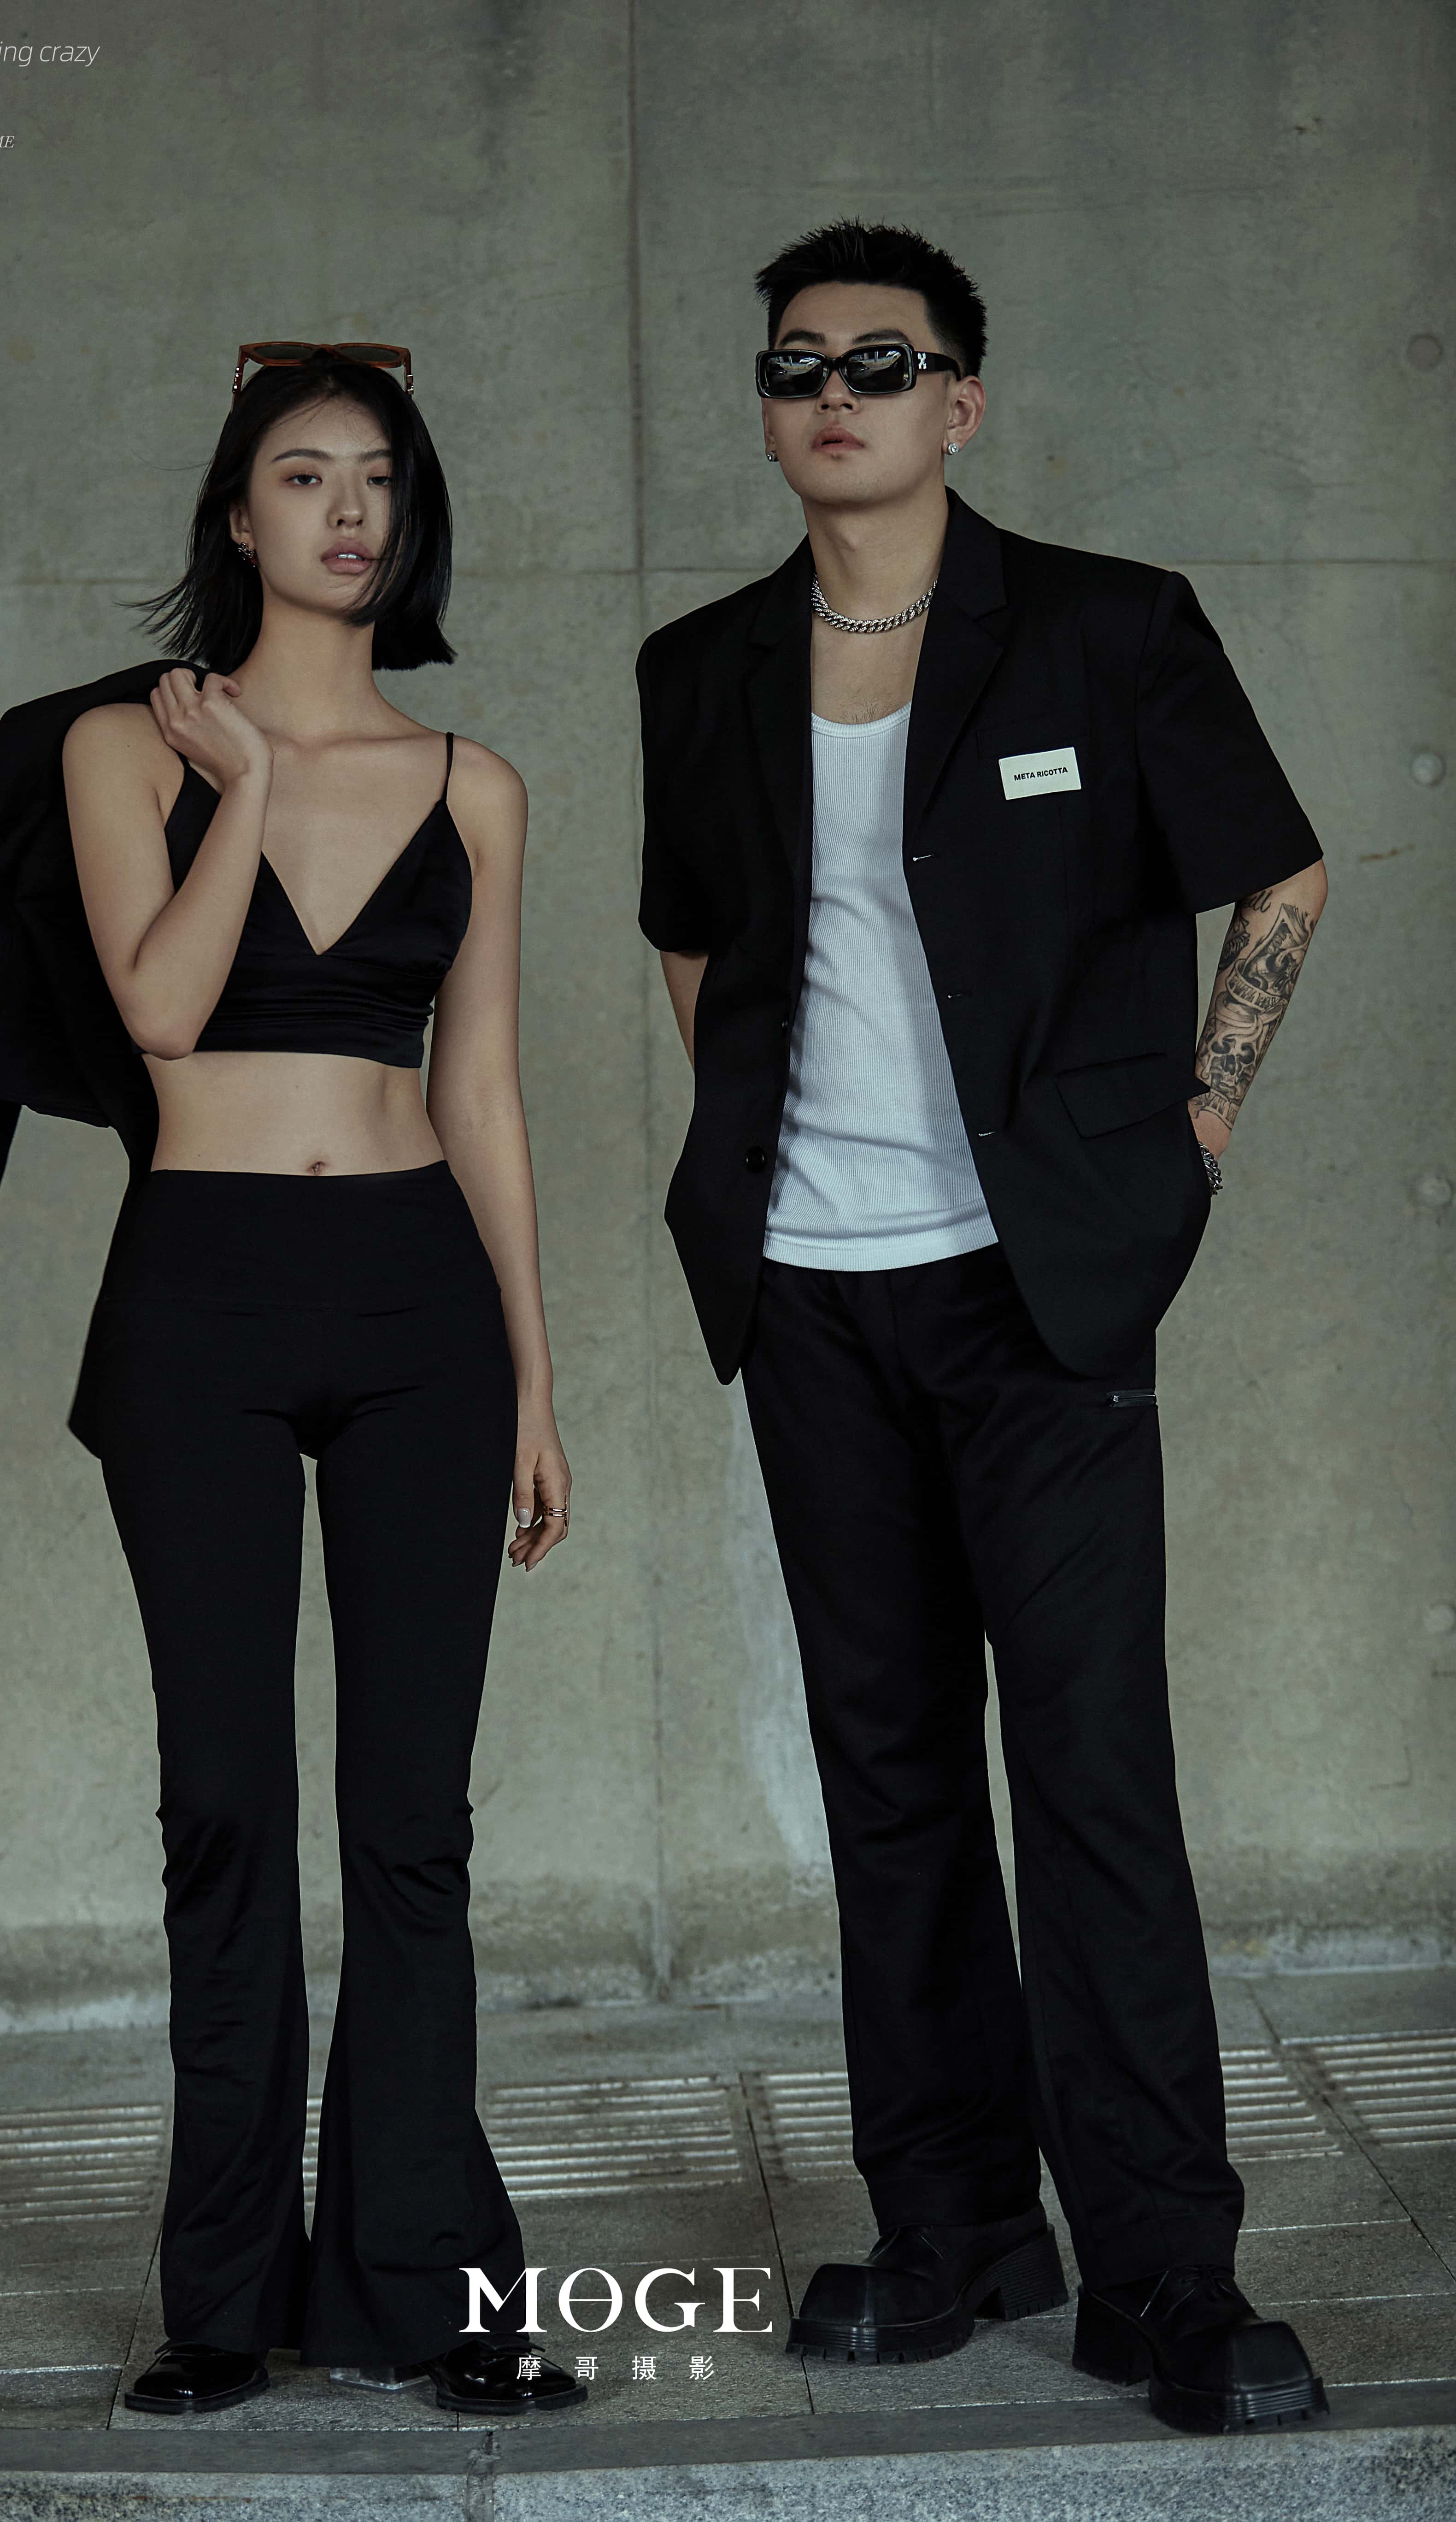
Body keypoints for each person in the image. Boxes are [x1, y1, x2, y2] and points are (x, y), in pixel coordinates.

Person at [636, 224, 1329, 2438]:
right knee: (893, 1772)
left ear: (963, 401)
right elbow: (695, 945)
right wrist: (771, 1148)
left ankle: (1166, 2270)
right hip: (812, 1295)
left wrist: (1192, 1129)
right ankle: (952, 2224)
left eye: (883, 359)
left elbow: (1281, 871)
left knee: (1094, 1770)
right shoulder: (701, 668)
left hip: (1041, 1292)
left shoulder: (1111, 629)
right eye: (798, 362)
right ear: (770, 407)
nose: (835, 392)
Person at [0, 342, 582, 2419]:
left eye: (380, 478)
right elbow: (168, 1012)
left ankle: (429, 2293)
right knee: (227, 1807)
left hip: (423, 1308)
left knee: (415, 1823)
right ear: (240, 513)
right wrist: (248, 784)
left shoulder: (476, 785)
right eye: (304, 473)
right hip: (202, 1301)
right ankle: (221, 2297)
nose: (348, 511)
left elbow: (488, 1094)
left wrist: (538, 1382)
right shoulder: (125, 748)